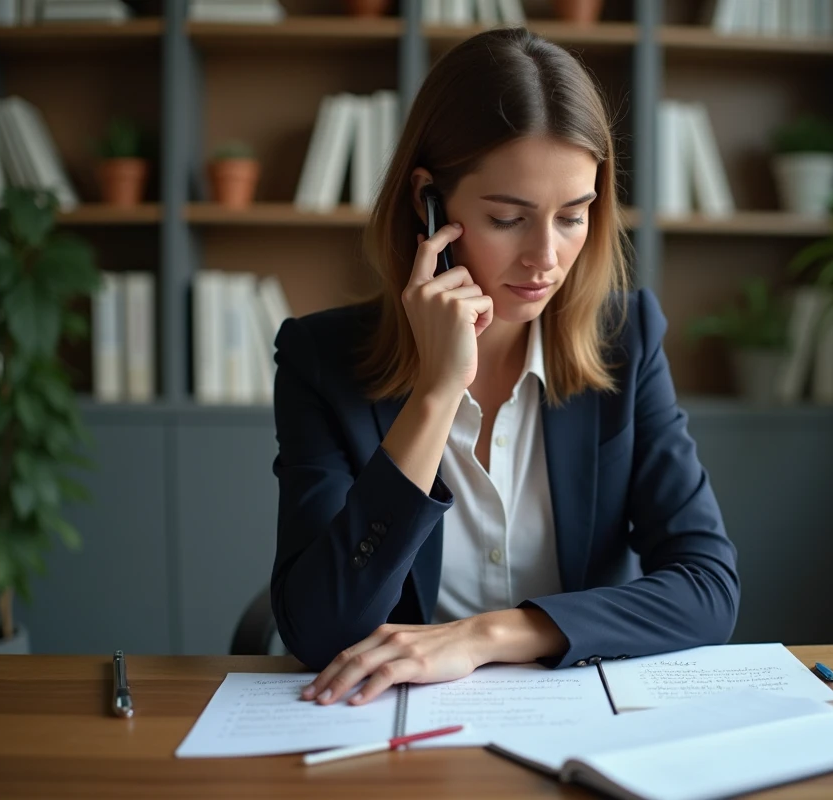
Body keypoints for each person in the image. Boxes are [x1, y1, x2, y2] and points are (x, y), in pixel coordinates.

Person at [271, 27, 739, 707]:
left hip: (579, 716)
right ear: (428, 202)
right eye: (507, 219)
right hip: (399, 725)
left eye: (572, 217)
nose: (545, 258)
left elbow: (708, 588)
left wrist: (485, 636)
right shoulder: (321, 360)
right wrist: (435, 395)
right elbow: (320, 631)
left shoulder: (625, 338)